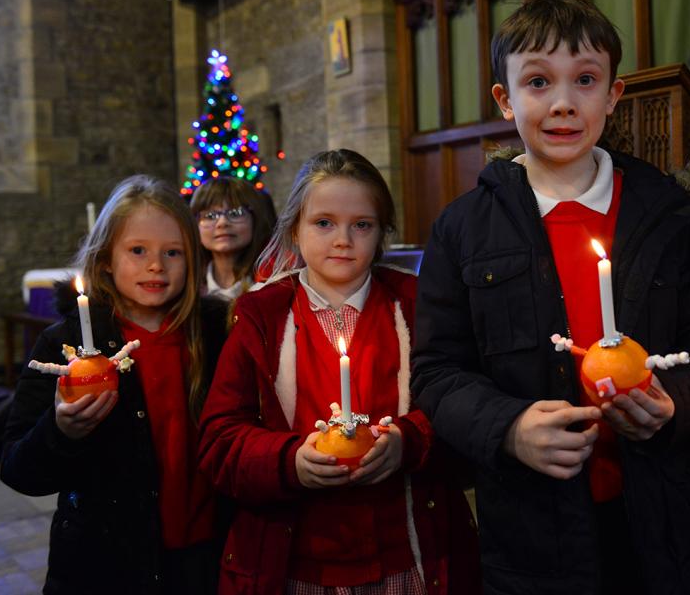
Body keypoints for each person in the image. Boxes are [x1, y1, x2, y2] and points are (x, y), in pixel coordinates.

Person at [410, 0, 690, 595]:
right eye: (538, 82)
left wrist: (675, 402)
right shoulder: (462, 228)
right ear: (505, 100)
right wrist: (508, 426)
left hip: (658, 516)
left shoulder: (667, 212)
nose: (563, 103)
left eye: (585, 79)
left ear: (613, 95)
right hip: (533, 528)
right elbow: (436, 371)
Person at [197, 149, 480, 595]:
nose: (343, 239)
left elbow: (459, 405)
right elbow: (219, 439)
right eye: (323, 222)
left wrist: (407, 441)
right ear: (294, 229)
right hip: (297, 562)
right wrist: (289, 460)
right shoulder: (261, 317)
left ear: (382, 232)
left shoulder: (414, 304)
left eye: (361, 224)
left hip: (408, 556)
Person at [1, 175, 230, 594]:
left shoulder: (215, 334)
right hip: (105, 565)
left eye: (173, 252)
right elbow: (19, 471)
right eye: (138, 250)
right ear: (106, 258)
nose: (156, 265)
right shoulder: (63, 345)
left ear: (193, 259)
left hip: (204, 557)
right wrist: (62, 431)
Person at [190, 176, 277, 300]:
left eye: (235, 213)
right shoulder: (187, 285)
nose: (222, 223)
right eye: (210, 215)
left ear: (255, 219)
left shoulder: (276, 282)